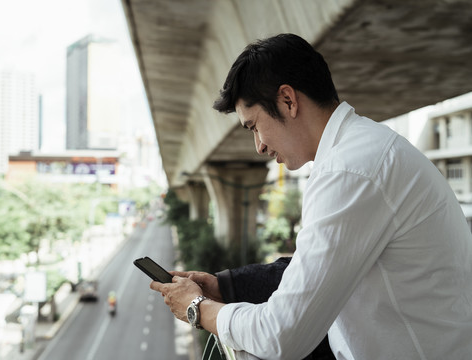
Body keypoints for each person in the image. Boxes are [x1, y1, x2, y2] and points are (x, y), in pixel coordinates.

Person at [150, 33, 472, 359]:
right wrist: (223, 287)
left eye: (254, 126)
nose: (259, 145)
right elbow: (313, 271)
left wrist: (197, 308)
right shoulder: (358, 151)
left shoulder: (350, 170)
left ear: (288, 100)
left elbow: (282, 335)